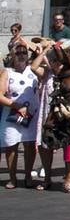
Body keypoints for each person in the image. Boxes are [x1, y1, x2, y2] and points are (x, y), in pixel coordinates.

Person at [2, 42, 44, 189]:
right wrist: (16, 105)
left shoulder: (33, 70)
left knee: (30, 145)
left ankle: (28, 176)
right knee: (11, 145)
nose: (21, 55)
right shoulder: (7, 72)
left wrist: (41, 52)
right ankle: (12, 178)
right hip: (12, 115)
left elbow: (49, 72)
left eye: (24, 52)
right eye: (18, 53)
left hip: (31, 115)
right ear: (12, 55)